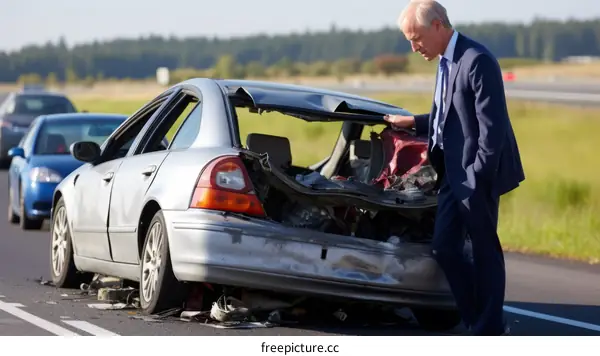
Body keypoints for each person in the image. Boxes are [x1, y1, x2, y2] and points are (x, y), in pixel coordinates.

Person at [384, 0, 525, 336]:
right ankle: (480, 319)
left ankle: (487, 328)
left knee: (485, 250)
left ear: (437, 26)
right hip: (451, 174)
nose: (414, 46)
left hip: (476, 176)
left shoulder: (477, 60)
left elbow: (493, 130)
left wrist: (478, 177)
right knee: (444, 247)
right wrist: (415, 122)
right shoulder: (446, 63)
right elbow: (450, 118)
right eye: (409, 41)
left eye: (416, 38)